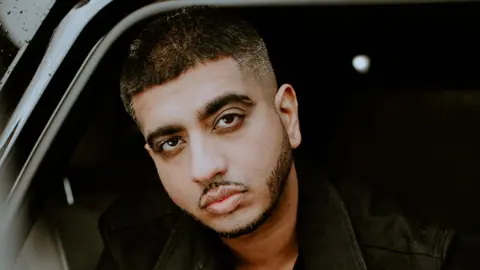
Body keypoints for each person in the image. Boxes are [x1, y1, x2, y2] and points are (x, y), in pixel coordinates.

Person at [96, 5, 457, 270]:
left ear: (288, 116)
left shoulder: (415, 258)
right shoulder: (134, 249)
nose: (204, 168)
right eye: (171, 143)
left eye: (227, 120)